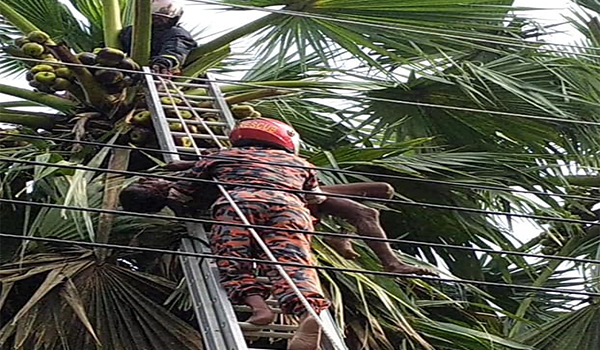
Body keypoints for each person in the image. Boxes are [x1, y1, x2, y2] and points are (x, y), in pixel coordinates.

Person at [122, 118, 330, 350]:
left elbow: (183, 191)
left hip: (239, 203)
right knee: (291, 263)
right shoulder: (300, 163)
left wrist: (182, 199)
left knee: (233, 258)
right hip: (290, 210)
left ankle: (259, 308)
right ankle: (307, 313)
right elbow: (317, 198)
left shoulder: (222, 155)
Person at [119, 0, 197, 74]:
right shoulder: (131, 31)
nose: (157, 17)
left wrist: (163, 62)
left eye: (164, 14)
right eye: (155, 12)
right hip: (132, 71)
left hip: (163, 73)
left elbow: (176, 49)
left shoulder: (177, 33)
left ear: (174, 17)